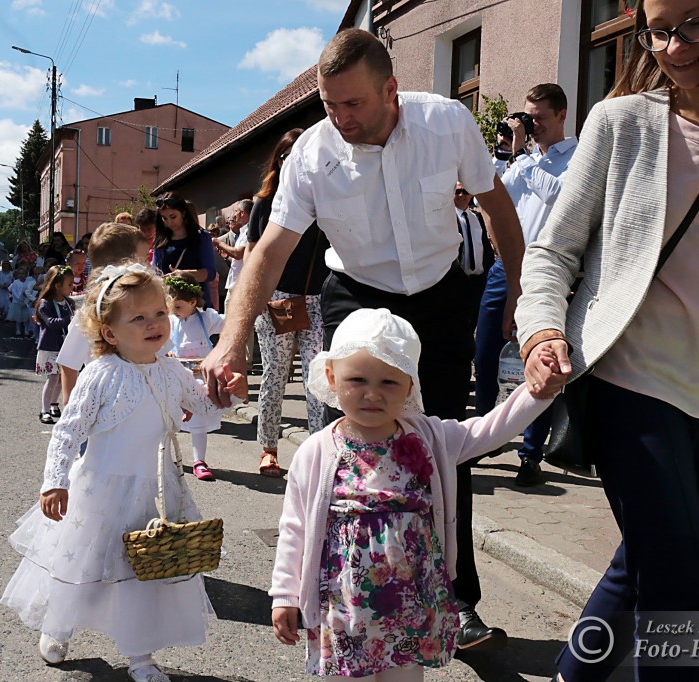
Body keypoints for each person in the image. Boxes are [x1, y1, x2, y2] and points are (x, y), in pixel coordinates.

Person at [202, 28, 527, 651]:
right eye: (328, 105)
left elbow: (496, 205)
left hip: (438, 296)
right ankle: (327, 585)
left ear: (391, 90)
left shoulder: (447, 123)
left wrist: (519, 290)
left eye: (351, 104)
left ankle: (457, 602)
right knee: (347, 443)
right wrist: (231, 340)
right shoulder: (314, 154)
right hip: (357, 295)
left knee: (438, 445)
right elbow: (270, 250)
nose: (338, 118)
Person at [515, 1, 699, 680]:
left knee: (641, 565)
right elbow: (552, 252)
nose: (672, 45)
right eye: (658, 29)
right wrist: (542, 329)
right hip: (629, 383)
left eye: (695, 22)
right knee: (684, 592)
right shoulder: (622, 123)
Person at [270, 309, 552, 680]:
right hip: (344, 602)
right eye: (357, 379)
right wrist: (285, 596)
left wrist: (538, 392)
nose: (372, 393)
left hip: (410, 600)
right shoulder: (317, 450)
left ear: (409, 387)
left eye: (389, 382)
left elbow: (490, 430)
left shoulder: (430, 437)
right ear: (331, 378)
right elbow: (294, 527)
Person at [0, 264, 246, 680]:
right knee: (83, 568)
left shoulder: (172, 370)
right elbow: (68, 430)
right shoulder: (101, 374)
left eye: (159, 314)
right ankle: (59, 625)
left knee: (145, 575)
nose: (154, 324)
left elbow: (203, 405)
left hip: (155, 492)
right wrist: (54, 481)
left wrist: (230, 392)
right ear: (110, 333)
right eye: (138, 318)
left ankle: (140, 656)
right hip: (100, 494)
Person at [475, 83, 577, 487]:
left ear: (561, 115)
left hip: (547, 268)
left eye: (539, 119)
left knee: (541, 358)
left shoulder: (577, 156)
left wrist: (523, 155)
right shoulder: (526, 160)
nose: (532, 126)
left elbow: (562, 197)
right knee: (485, 351)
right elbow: (495, 194)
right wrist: (506, 156)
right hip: (505, 266)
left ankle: (531, 454)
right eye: (528, 117)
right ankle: (485, 435)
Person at [248, 128, 331, 477]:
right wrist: (255, 302)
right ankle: (268, 449)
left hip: (315, 301)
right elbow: (254, 254)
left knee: (318, 378)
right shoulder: (265, 203)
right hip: (276, 300)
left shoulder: (323, 202)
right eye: (286, 157)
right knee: (275, 376)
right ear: (278, 161)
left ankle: (317, 452)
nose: (293, 164)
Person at [56, 223, 151, 406]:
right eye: (144, 258)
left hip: (145, 402)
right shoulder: (93, 311)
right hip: (106, 402)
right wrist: (70, 404)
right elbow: (69, 361)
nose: (148, 265)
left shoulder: (147, 307)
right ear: (124, 264)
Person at [166, 274, 226, 481]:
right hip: (174, 380)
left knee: (198, 420)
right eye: (172, 306)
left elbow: (229, 324)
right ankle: (165, 458)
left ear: (193, 302)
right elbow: (159, 343)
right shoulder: (169, 322)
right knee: (166, 419)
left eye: (179, 306)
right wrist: (166, 353)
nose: (174, 310)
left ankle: (199, 460)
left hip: (198, 382)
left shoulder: (206, 319)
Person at [151, 193, 218, 309]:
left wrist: (183, 275)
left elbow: (210, 273)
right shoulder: (160, 242)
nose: (169, 222)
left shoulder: (202, 238)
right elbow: (156, 272)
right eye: (164, 218)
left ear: (183, 213)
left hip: (197, 306)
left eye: (173, 217)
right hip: (169, 305)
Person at [34, 265, 75, 424]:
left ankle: (53, 404)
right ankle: (43, 410)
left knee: (60, 378)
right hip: (50, 347)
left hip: (64, 346)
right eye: (69, 284)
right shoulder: (45, 303)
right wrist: (70, 319)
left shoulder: (69, 303)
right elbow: (51, 323)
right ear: (57, 286)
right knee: (52, 378)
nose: (72, 287)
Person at [454, 183, 494, 329]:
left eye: (465, 191)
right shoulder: (447, 219)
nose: (461, 195)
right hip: (458, 281)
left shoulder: (476, 217)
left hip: (478, 282)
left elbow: (484, 247)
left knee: (477, 322)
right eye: (457, 191)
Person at [7, 267, 33, 337]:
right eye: (19, 273)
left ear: (26, 274)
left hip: (26, 302)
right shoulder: (16, 282)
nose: (21, 275)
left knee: (26, 317)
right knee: (18, 317)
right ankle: (18, 329)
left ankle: (26, 329)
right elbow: (13, 291)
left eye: (23, 273)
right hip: (17, 302)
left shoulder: (28, 282)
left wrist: (26, 299)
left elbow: (29, 291)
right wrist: (18, 298)